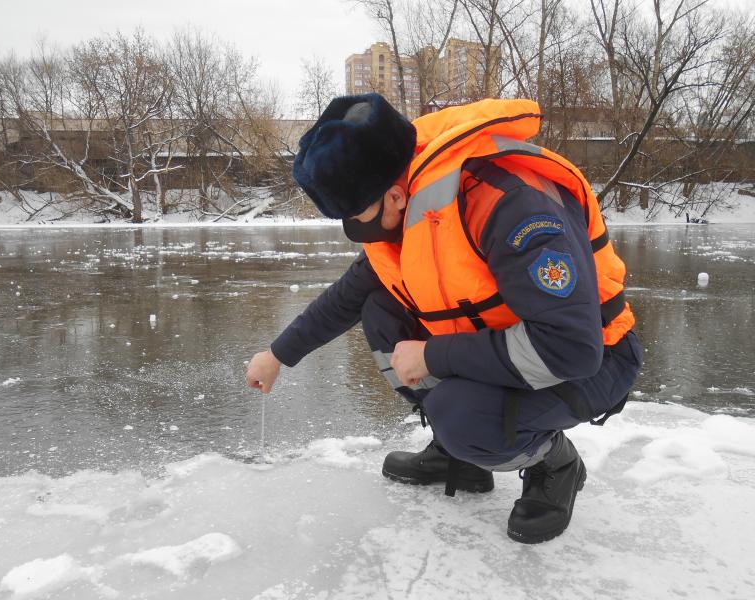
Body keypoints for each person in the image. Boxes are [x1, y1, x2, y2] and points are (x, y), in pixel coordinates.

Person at [246, 93, 642, 544]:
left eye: (356, 218)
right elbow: (346, 298)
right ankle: (462, 456)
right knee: (381, 309)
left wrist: (434, 356)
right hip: (515, 344)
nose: (356, 231)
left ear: (394, 194)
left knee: (464, 417)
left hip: (597, 357)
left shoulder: (507, 205)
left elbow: (572, 349)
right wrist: (278, 355)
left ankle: (553, 462)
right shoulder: (411, 206)